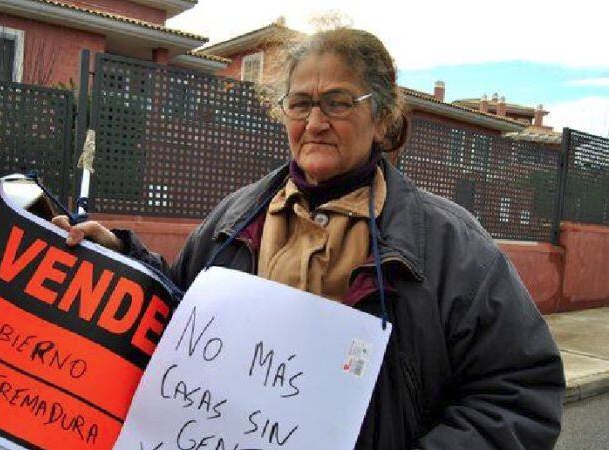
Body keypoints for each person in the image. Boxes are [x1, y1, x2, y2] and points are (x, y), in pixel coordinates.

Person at [53, 27, 565, 449]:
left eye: (338, 103)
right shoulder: (235, 216)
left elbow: (519, 395)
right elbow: (183, 313)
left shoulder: (450, 246)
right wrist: (122, 259)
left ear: (383, 118)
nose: (315, 123)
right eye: (300, 104)